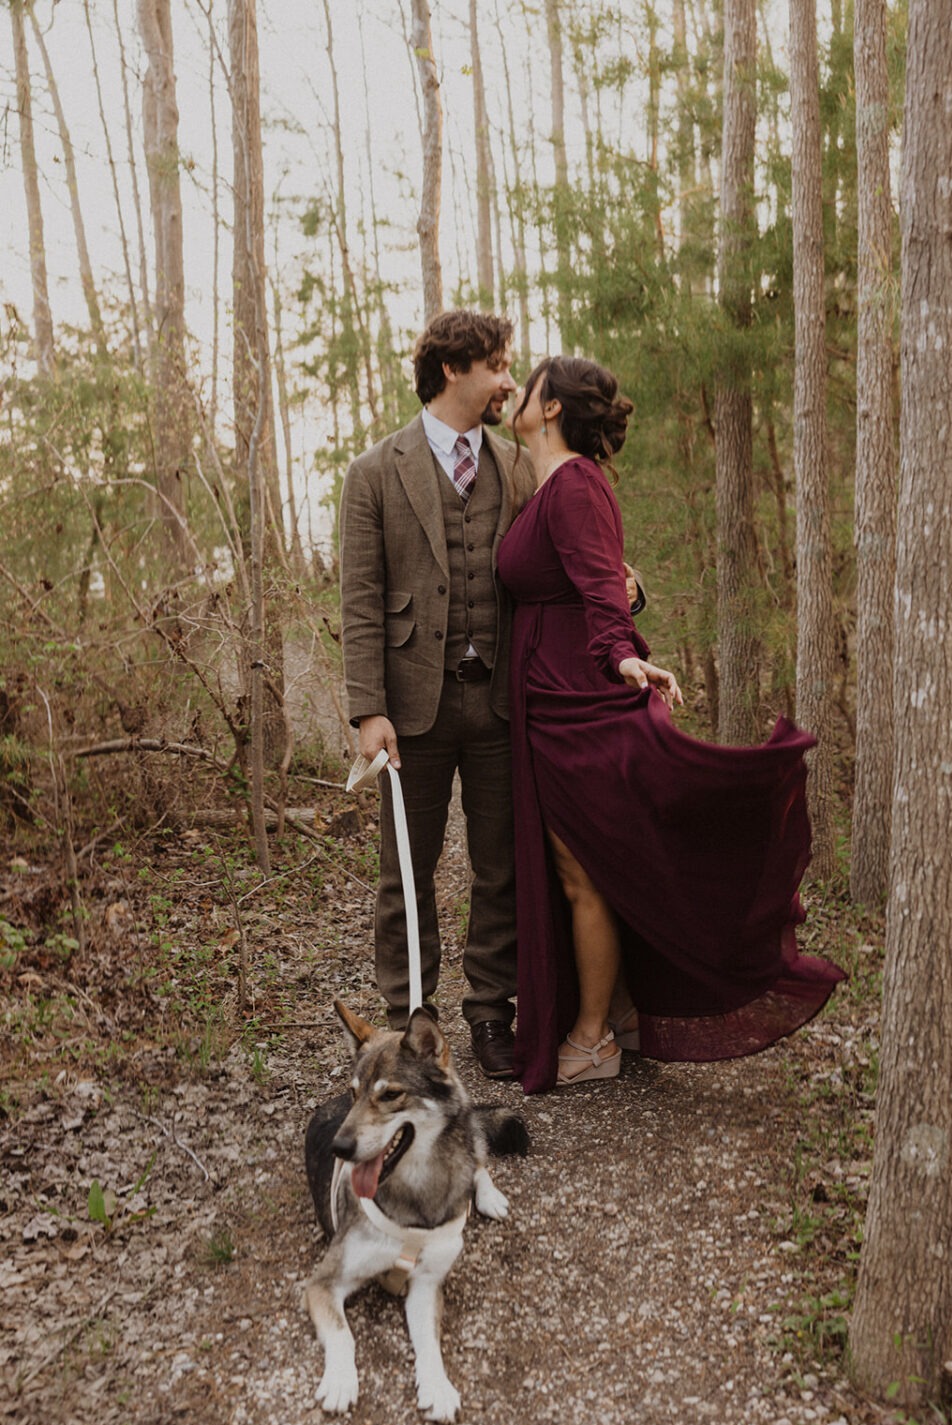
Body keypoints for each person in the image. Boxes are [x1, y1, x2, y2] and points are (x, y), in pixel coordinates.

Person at [497, 355, 845, 1093]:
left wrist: (622, 655)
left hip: (576, 703)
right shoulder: (548, 486)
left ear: (551, 407)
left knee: (582, 871)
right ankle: (616, 1011)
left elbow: (600, 587)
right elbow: (597, 576)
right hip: (552, 697)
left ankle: (592, 1040)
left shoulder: (575, 485)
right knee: (583, 872)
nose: (514, 393)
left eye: (525, 384)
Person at [338, 310, 535, 1079]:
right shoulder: (375, 473)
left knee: (500, 866)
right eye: (497, 364)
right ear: (453, 369)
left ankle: (491, 1014)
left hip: (499, 704)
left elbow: (568, 552)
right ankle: (409, 1022)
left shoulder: (518, 468)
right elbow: (359, 598)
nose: (508, 380)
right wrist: (367, 709)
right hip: (409, 712)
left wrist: (626, 590)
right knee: (405, 875)